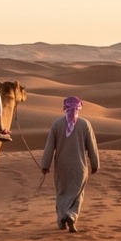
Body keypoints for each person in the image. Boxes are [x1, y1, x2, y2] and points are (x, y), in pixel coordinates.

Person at [39, 96, 99, 232]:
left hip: (62, 167)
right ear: (79, 107)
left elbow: (49, 147)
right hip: (79, 167)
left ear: (65, 108)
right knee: (77, 194)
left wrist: (45, 165)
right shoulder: (85, 124)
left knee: (62, 193)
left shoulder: (57, 124)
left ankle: (62, 219)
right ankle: (71, 215)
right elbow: (92, 146)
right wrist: (95, 164)